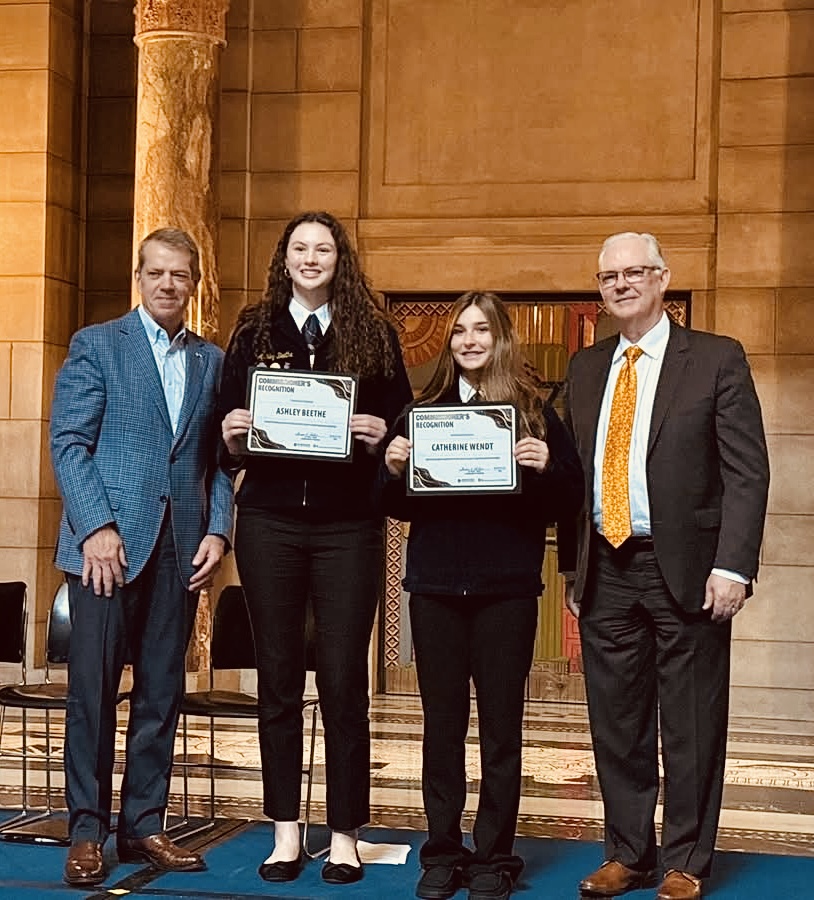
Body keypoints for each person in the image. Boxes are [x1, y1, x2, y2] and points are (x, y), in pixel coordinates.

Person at [561, 233, 770, 900]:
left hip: (686, 569)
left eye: (633, 273)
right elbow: (573, 478)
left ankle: (686, 862)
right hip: (607, 568)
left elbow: (747, 473)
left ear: (661, 279)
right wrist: (573, 567)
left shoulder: (713, 360)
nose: (621, 284)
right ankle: (627, 853)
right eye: (607, 276)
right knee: (616, 722)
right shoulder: (587, 367)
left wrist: (733, 566)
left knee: (691, 722)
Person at [219, 210, 413, 885]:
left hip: (348, 526)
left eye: (323, 248)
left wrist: (380, 433)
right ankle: (284, 833)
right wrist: (234, 430)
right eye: (300, 248)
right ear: (284, 258)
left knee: (342, 683)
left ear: (340, 259)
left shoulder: (374, 334)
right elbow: (223, 442)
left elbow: (404, 433)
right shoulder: (252, 331)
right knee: (276, 680)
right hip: (269, 522)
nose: (310, 258)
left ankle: (345, 835)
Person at [379, 292, 584, 900]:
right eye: (460, 330)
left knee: (501, 730)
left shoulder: (538, 416)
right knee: (441, 727)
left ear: (501, 339)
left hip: (507, 592)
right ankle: (442, 851)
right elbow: (389, 505)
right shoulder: (422, 414)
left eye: (482, 330)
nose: (470, 340)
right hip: (437, 590)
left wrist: (548, 465)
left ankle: (494, 856)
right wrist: (389, 469)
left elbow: (567, 501)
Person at [50, 227, 234, 887]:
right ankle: (87, 831)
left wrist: (218, 530)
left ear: (194, 283)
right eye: (156, 272)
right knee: (92, 696)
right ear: (140, 276)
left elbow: (216, 461)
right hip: (106, 550)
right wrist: (96, 525)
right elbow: (68, 441)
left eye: (179, 275)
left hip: (181, 548)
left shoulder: (213, 362)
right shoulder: (98, 344)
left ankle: (145, 824)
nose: (167, 284)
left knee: (161, 693)